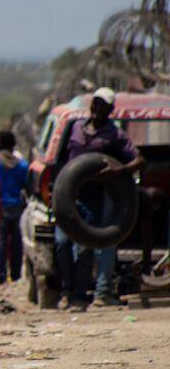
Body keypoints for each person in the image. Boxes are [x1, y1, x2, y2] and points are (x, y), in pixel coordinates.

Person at [55, 87, 143, 312]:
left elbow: (139, 160)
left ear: (110, 109)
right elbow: (62, 160)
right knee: (62, 244)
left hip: (94, 197)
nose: (97, 108)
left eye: (102, 104)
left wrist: (119, 171)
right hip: (69, 196)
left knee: (85, 247)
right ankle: (65, 290)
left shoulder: (115, 135)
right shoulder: (75, 127)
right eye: (95, 102)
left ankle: (78, 296)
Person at [0, 130, 29, 285]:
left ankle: (1, 275)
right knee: (17, 244)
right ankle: (16, 275)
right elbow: (26, 186)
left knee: (1, 244)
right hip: (17, 207)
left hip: (0, 207)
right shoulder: (21, 165)